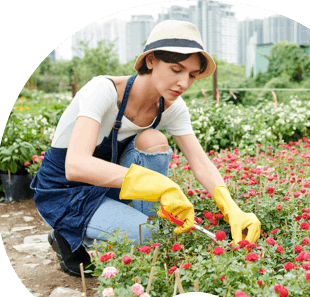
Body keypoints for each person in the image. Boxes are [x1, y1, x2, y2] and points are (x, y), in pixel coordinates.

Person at [30, 20, 261, 277]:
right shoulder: (103, 91)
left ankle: (139, 230)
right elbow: (76, 166)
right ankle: (68, 233)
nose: (183, 83)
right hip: (65, 191)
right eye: (176, 69)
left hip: (108, 185)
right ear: (150, 60)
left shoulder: (172, 107)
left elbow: (200, 161)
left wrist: (232, 209)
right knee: (152, 238)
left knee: (153, 140)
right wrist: (160, 185)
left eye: (192, 75)